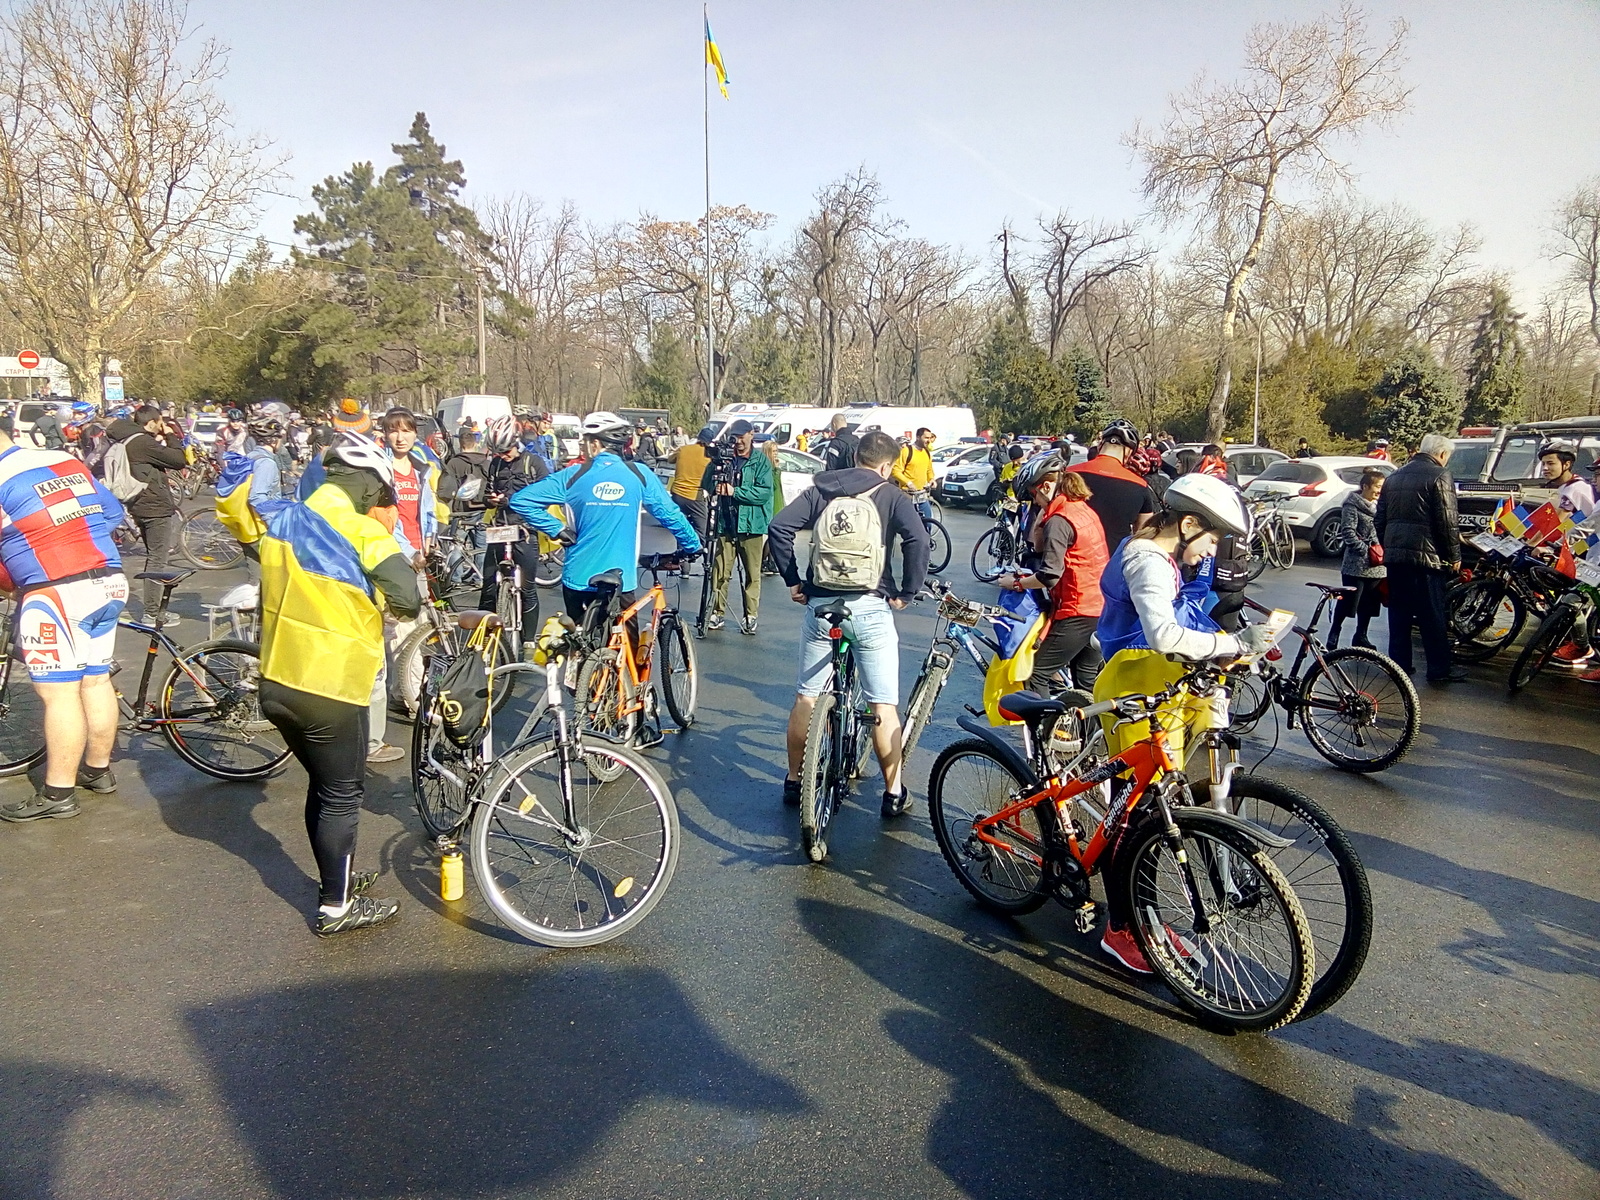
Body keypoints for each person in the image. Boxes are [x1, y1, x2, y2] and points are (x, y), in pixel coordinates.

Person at [1092, 474, 1274, 973]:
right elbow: (1167, 634)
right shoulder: (1147, 560)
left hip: (1153, 682)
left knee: (1151, 806)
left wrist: (1227, 643)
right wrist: (1233, 645)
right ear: (1189, 524)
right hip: (1132, 685)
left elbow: (1187, 616)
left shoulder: (1159, 550)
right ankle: (1121, 928)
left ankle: (1143, 915)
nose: (1211, 551)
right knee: (1134, 815)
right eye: (1212, 539)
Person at [257, 432, 421, 935]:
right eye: (380, 494)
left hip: (276, 679)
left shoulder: (282, 519)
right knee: (344, 794)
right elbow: (409, 599)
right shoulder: (364, 532)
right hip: (331, 683)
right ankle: (337, 908)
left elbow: (235, 510)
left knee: (323, 787)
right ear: (368, 486)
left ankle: (338, 881)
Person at [767, 430, 931, 818]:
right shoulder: (893, 496)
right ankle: (893, 793)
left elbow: (779, 527)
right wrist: (907, 592)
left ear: (855, 456)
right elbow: (919, 543)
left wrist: (794, 582)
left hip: (822, 604)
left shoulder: (822, 489)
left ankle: (794, 780)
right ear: (887, 466)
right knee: (882, 706)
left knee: (807, 697)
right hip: (871, 607)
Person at [0, 427, 129, 822]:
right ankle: (97, 770)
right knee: (95, 680)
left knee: (59, 695)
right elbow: (112, 512)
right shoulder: (63, 459)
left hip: (54, 590)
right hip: (108, 578)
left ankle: (58, 792)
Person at [508, 410, 700, 650]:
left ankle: (579, 681)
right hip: (621, 577)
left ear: (595, 443)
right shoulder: (639, 474)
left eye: (586, 441)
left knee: (581, 648)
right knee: (624, 651)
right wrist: (693, 545)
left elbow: (520, 500)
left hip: (578, 575)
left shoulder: (573, 475)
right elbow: (670, 515)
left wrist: (557, 529)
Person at [998, 455, 1108, 696]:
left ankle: (1043, 733)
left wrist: (1016, 583)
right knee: (1086, 683)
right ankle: (1089, 733)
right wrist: (1041, 520)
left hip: (1077, 611)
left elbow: (1049, 575)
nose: (1034, 502)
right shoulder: (1080, 508)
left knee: (1036, 674)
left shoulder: (1060, 520)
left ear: (1046, 487)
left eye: (1034, 496)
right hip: (1100, 609)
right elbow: (1038, 547)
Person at [1375, 432, 1464, 683]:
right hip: (1427, 557)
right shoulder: (1440, 475)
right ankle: (1439, 669)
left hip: (1395, 557)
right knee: (1432, 614)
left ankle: (1399, 666)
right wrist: (1453, 554)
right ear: (1443, 454)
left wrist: (1389, 545)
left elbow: (1379, 519)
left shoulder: (1394, 476)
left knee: (1399, 614)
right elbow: (1447, 521)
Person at [106, 404, 190, 623]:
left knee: (154, 555)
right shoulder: (142, 442)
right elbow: (178, 460)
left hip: (139, 504)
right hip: (154, 506)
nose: (162, 426)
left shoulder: (126, 439)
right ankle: (152, 613)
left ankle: (153, 610)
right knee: (156, 559)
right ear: (151, 422)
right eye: (159, 422)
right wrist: (171, 437)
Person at [477, 416, 547, 662]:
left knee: (527, 589)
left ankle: (528, 641)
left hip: (524, 530)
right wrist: (489, 499)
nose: (503, 456)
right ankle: (483, 638)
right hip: (499, 528)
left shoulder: (534, 463)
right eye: (498, 452)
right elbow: (486, 492)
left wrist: (513, 500)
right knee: (487, 586)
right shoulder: (495, 464)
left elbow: (547, 497)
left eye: (505, 451)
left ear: (516, 442)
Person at [700, 419, 774, 634]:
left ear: (752, 435)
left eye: (743, 436)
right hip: (725, 524)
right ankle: (717, 612)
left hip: (752, 526)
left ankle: (750, 615)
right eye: (736, 437)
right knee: (720, 573)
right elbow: (706, 484)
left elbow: (764, 493)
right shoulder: (725, 458)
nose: (738, 441)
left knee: (752, 575)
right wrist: (715, 463)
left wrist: (735, 492)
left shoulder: (760, 462)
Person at [1072, 418, 1155, 554]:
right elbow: (1143, 535)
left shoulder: (1070, 473)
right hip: (1112, 562)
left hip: (1072, 560)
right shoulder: (1140, 485)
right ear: (1128, 452)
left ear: (1100, 445)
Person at [1328, 467, 1386, 649]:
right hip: (1356, 565)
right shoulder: (1352, 505)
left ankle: (1361, 636)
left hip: (1377, 566)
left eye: (1382, 487)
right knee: (1347, 603)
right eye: (1377, 487)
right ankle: (1334, 633)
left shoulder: (1382, 506)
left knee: (1369, 605)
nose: (1379, 491)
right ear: (1365, 486)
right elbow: (1347, 532)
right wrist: (1364, 550)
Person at [669, 426, 714, 539]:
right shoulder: (709, 457)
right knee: (701, 528)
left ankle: (680, 551)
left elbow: (670, 460)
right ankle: (696, 551)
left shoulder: (683, 449)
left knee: (681, 527)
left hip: (677, 494)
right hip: (693, 496)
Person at [1539, 440, 1596, 521]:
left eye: (1550, 463)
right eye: (1543, 464)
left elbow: (1555, 523)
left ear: (1566, 465)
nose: (1545, 468)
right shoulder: (1568, 485)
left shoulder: (1574, 488)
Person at [891, 427, 937, 519]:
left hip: (922, 495)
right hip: (908, 495)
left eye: (930, 438)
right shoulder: (907, 451)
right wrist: (908, 483)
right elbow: (895, 471)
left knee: (927, 521)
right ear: (918, 437)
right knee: (910, 524)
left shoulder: (926, 453)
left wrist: (931, 479)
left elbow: (929, 470)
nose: (929, 441)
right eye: (926, 438)